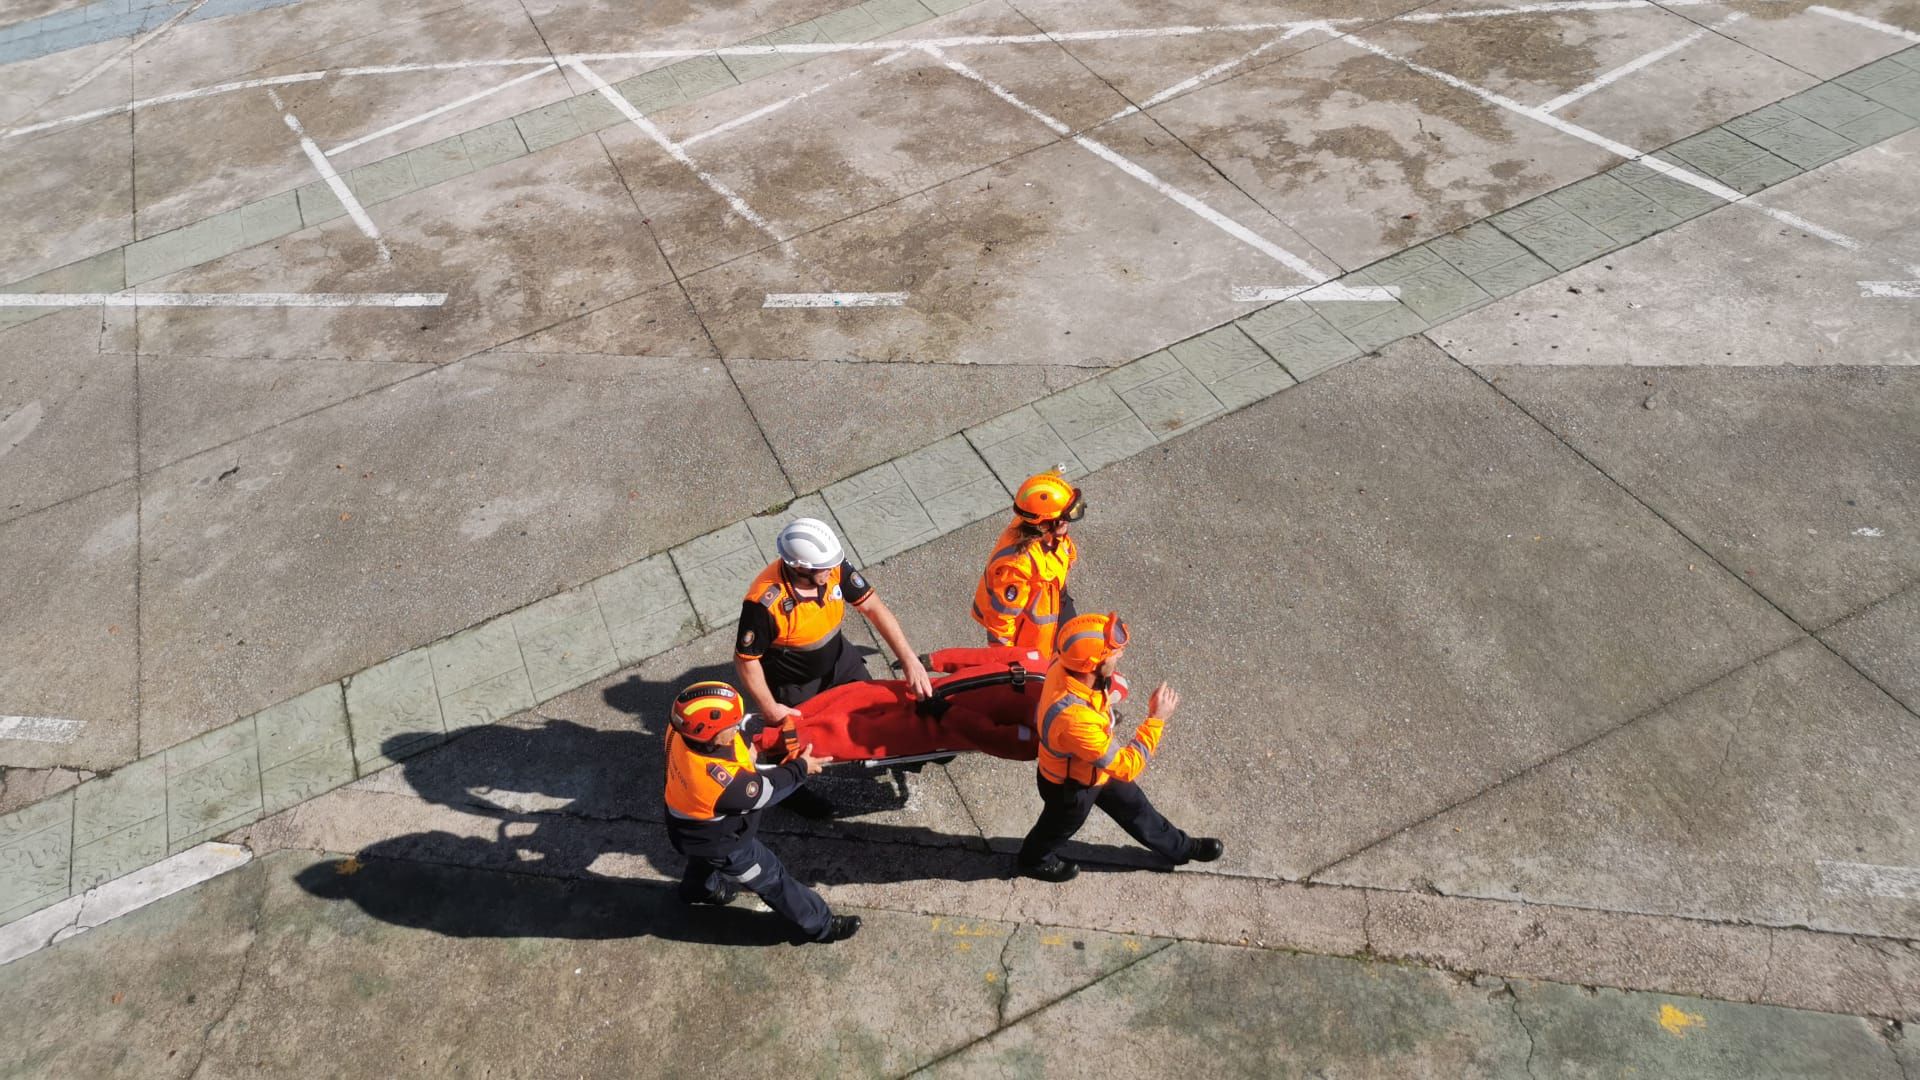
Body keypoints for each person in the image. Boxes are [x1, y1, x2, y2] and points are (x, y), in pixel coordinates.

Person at [735, 517, 932, 817]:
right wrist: (771, 708)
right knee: (792, 743)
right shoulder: (764, 603)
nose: (832, 571)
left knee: (875, 706)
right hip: (794, 682)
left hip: (840, 660)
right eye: (824, 568)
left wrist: (909, 660)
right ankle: (789, 790)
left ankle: (887, 749)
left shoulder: (831, 567)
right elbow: (746, 661)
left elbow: (873, 607)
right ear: (799, 566)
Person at [1016, 611, 1222, 882]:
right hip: (1070, 789)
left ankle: (1181, 848)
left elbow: (1093, 695)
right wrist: (1156, 720)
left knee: (1137, 808)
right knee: (1055, 830)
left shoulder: (1065, 664)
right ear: (1092, 664)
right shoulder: (1075, 719)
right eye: (1113, 653)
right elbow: (1127, 767)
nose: (1120, 656)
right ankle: (1032, 862)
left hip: (1094, 767)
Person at [662, 679, 861, 943]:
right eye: (731, 724)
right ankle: (821, 926)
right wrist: (801, 768)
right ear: (709, 733)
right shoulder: (723, 784)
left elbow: (738, 742)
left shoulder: (679, 732)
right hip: (725, 843)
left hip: (687, 827)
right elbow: (767, 791)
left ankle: (697, 891)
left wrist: (764, 732)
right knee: (772, 880)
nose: (737, 726)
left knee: (702, 860)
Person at [971, 470, 1081, 656]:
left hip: (1058, 603)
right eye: (1063, 519)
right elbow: (1001, 621)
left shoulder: (1043, 528)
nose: (1068, 522)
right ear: (1044, 524)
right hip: (1034, 637)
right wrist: (1009, 661)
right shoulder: (1016, 566)